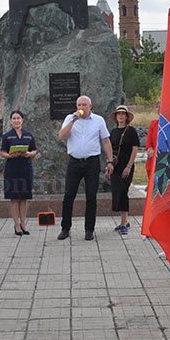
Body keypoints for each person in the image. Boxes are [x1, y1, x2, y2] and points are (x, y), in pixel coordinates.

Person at [57, 95, 114, 241]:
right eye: (79, 105)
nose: (81, 108)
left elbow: (106, 141)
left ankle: (89, 229)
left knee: (91, 196)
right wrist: (73, 120)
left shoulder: (98, 120)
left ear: (90, 106)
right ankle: (65, 228)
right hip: (75, 162)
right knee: (69, 195)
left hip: (92, 162)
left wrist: (110, 161)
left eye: (84, 105)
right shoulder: (70, 118)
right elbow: (62, 136)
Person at [0, 110, 38, 235]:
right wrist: (10, 155)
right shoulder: (7, 136)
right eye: (14, 118)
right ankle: (16, 225)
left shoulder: (28, 135)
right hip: (12, 168)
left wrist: (29, 154)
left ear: (23, 120)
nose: (16, 120)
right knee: (15, 198)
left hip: (26, 168)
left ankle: (23, 224)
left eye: (18, 118)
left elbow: (34, 151)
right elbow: (2, 152)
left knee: (24, 198)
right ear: (11, 121)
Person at [108, 105, 139, 235]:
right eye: (118, 114)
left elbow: (135, 148)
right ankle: (123, 220)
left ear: (127, 117)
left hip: (126, 164)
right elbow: (110, 150)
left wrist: (129, 165)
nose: (121, 116)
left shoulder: (131, 131)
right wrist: (108, 166)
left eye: (123, 114)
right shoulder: (113, 132)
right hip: (115, 166)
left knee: (123, 191)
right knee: (117, 192)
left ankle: (124, 222)